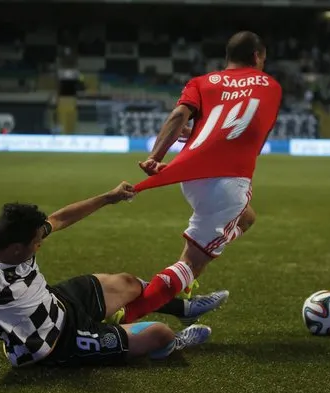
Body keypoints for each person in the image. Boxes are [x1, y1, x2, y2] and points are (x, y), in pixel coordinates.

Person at [0, 182, 228, 393]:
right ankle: (174, 342)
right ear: (19, 248)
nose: (41, 242)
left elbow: (59, 219)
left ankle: (185, 309)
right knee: (158, 334)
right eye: (37, 242)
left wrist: (108, 198)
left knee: (126, 281)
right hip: (57, 343)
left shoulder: (9, 242)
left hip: (56, 301)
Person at [119, 31, 282, 324]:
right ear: (257, 57)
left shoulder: (202, 82)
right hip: (227, 184)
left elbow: (179, 116)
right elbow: (251, 132)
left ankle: (185, 283)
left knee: (247, 218)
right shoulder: (270, 85)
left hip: (192, 178)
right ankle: (126, 317)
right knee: (192, 261)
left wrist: (156, 156)